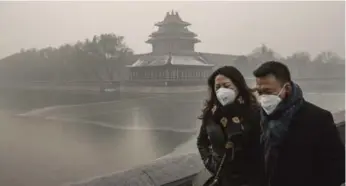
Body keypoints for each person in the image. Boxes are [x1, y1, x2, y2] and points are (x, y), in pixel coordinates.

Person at [253, 61, 345, 186]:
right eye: (260, 92)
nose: (263, 98)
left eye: (268, 92)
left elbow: (337, 169)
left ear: (287, 88)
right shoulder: (259, 119)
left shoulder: (318, 118)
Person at [197, 66, 261, 186]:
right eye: (217, 87)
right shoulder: (211, 114)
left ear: (238, 87)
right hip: (222, 177)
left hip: (250, 179)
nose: (221, 90)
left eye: (226, 86)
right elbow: (202, 142)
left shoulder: (254, 113)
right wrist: (210, 162)